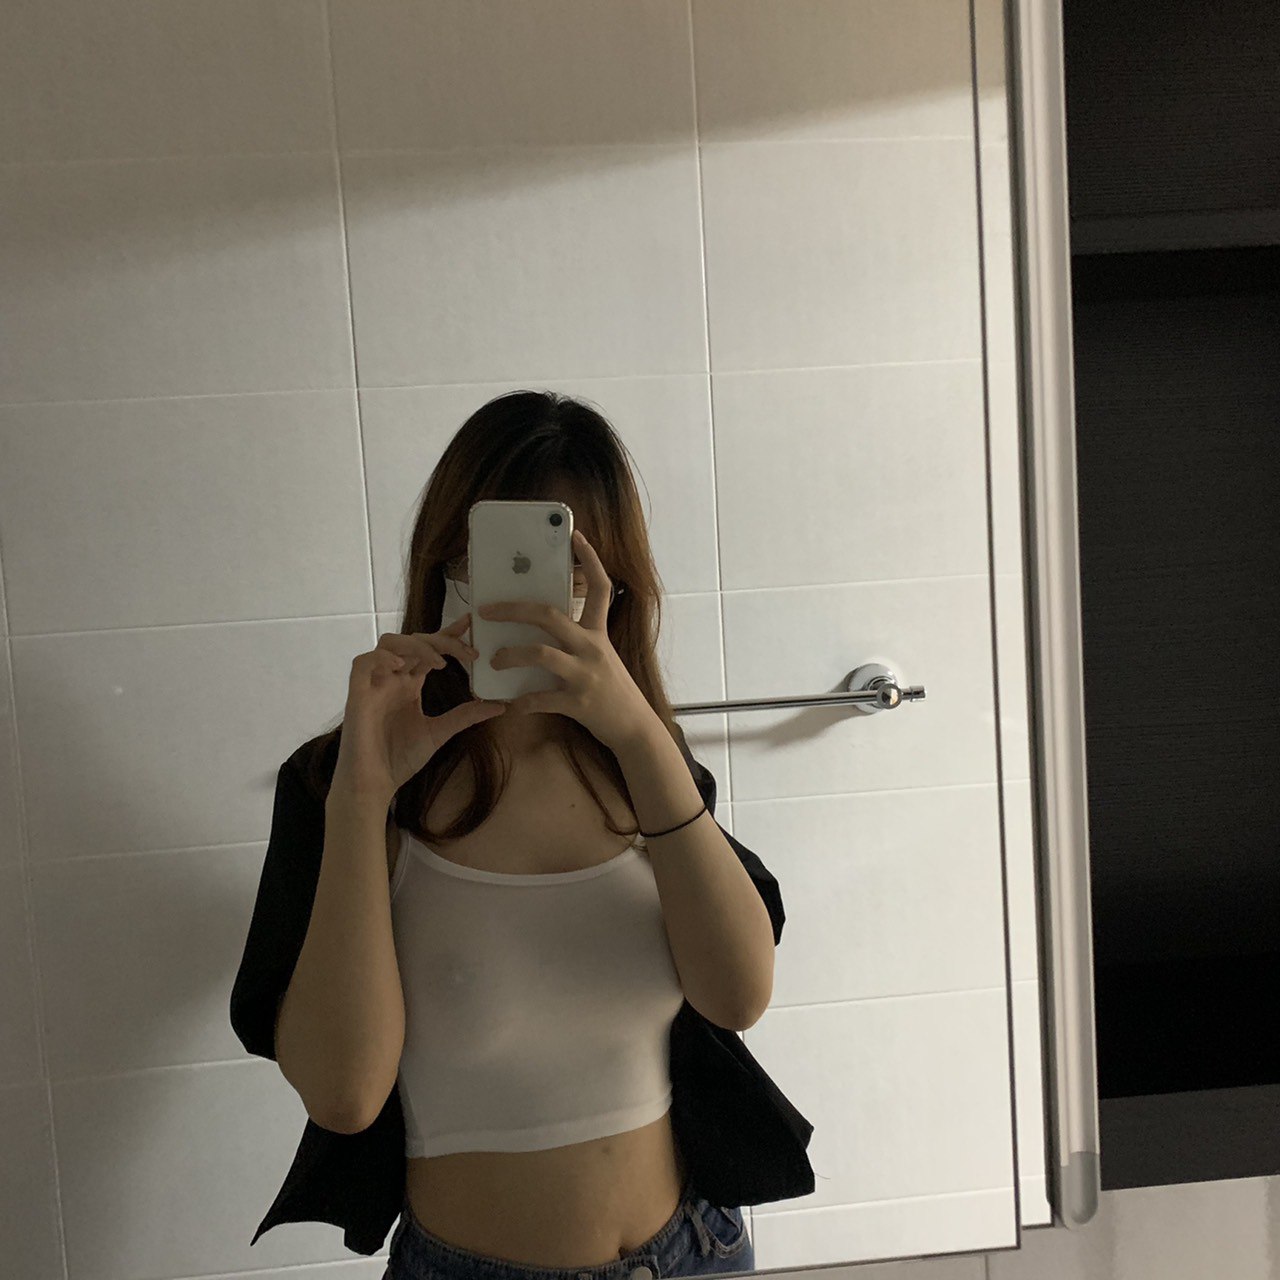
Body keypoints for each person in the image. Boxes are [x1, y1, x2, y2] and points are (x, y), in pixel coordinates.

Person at [273, 390, 765, 1278]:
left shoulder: (646, 762)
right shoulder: (344, 781)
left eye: (565, 561)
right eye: (496, 556)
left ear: (615, 580)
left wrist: (640, 736)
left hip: (695, 1250)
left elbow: (738, 998)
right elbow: (344, 1097)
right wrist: (362, 797)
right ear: (445, 558)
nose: (530, 590)